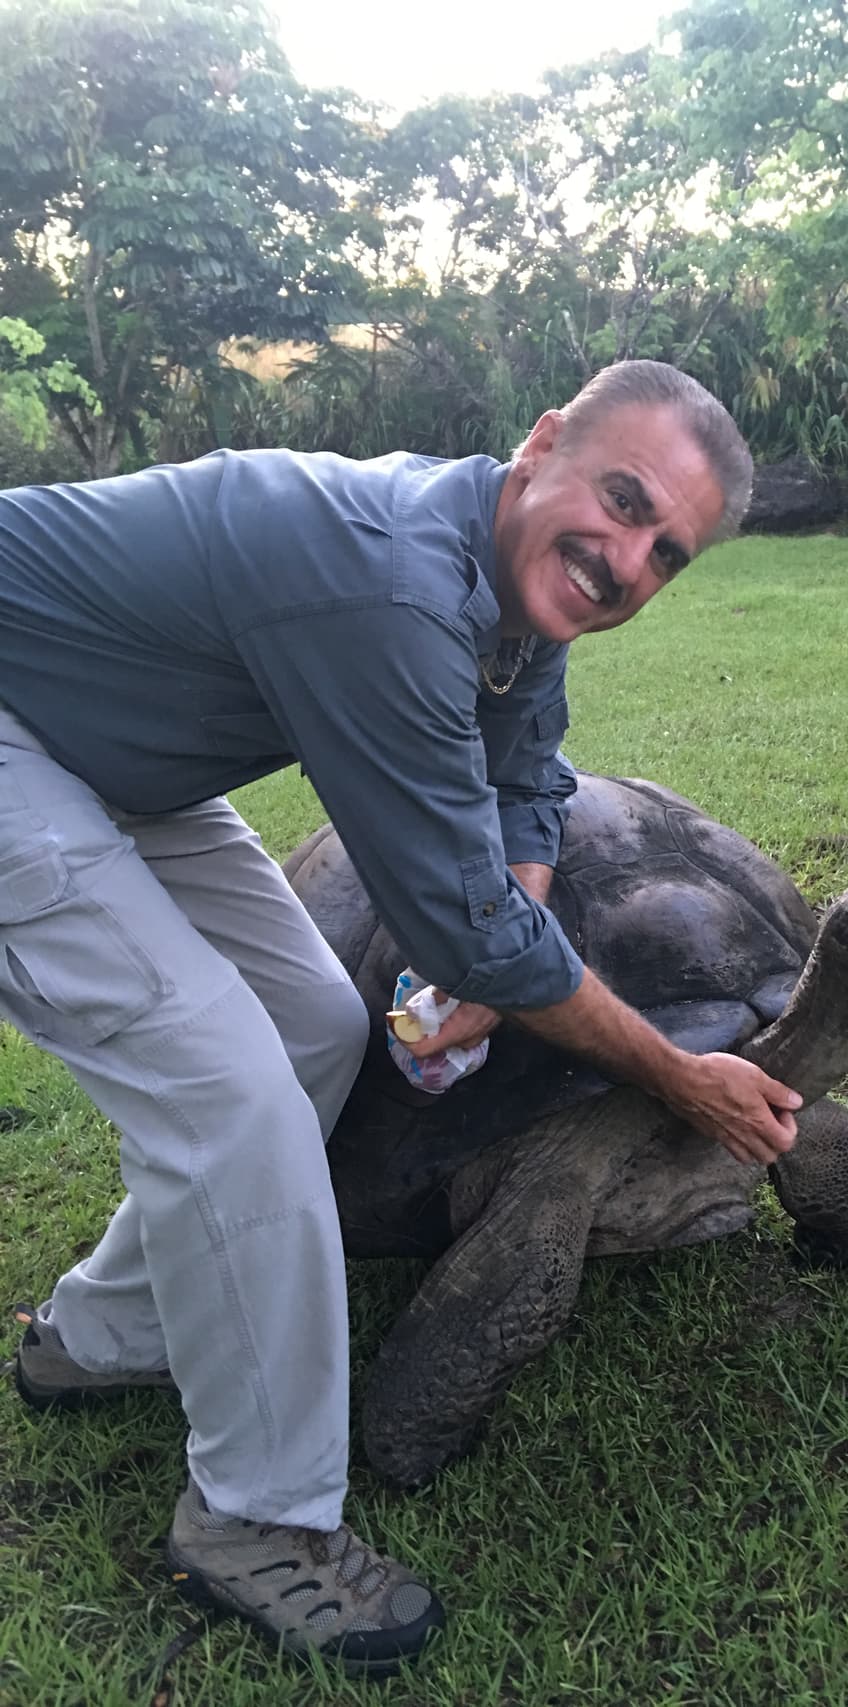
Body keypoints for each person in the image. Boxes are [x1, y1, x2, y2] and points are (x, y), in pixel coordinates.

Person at [0, 359, 802, 1677]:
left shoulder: (514, 597)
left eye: (669, 551)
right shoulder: (386, 583)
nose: (628, 559)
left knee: (315, 1023)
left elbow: (531, 783)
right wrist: (679, 1075)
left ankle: (101, 1338)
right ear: (541, 447)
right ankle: (256, 1521)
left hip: (111, 752)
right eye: (620, 499)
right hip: (21, 733)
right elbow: (461, 925)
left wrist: (492, 954)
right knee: (229, 1095)